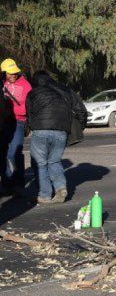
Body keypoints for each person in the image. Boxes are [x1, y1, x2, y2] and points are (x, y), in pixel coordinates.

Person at [25, 71, 87, 204]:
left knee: (40, 163)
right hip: (61, 131)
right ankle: (60, 187)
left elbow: (29, 114)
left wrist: (30, 128)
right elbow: (81, 110)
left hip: (41, 130)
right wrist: (79, 127)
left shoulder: (33, 93)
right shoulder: (65, 90)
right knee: (54, 161)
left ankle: (44, 195)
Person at [1, 58, 32, 195]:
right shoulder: (1, 83)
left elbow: (28, 106)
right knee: (3, 153)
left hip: (18, 121)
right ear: (3, 73)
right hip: (3, 122)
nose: (13, 75)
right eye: (10, 73)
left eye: (15, 72)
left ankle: (17, 183)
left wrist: (12, 111)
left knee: (14, 152)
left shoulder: (25, 84)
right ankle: (6, 184)